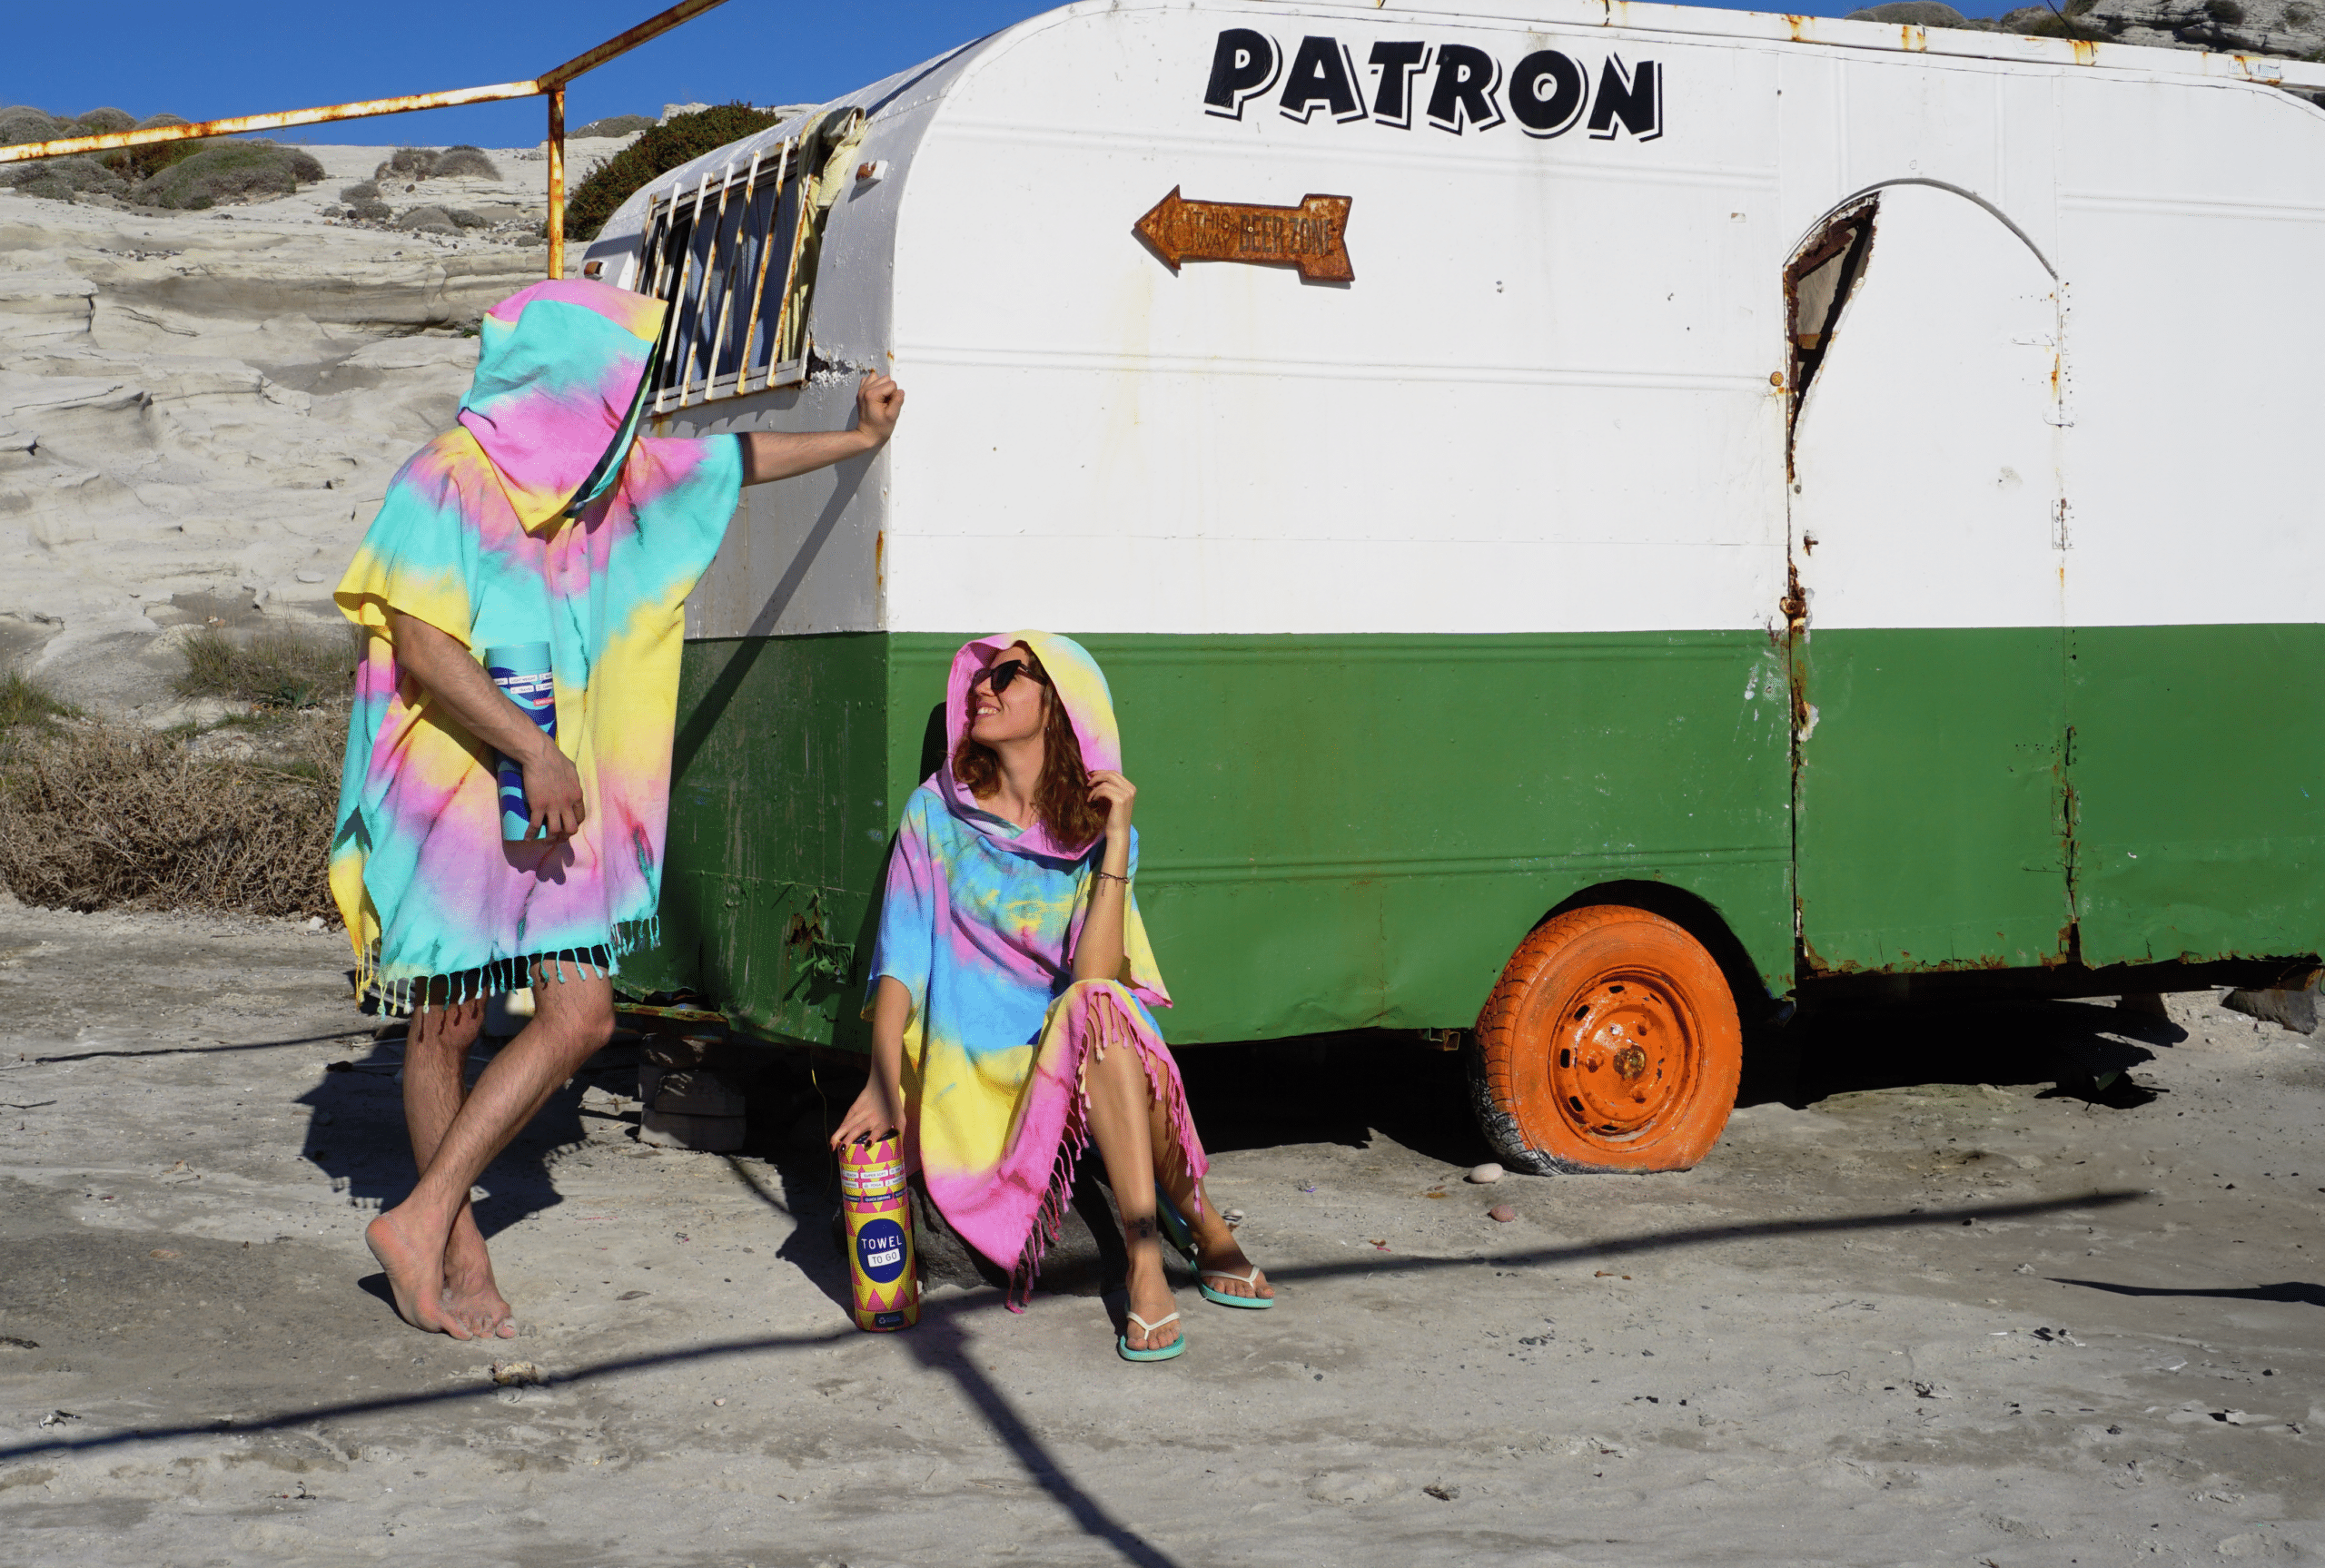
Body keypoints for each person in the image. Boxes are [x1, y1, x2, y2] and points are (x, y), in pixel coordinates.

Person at [330, 278, 904, 1339]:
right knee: (445, 1025)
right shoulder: (445, 481)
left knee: (581, 1015)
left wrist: (853, 440)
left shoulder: (612, 479)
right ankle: (448, 1248)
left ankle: (419, 1217)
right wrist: (533, 745)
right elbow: (421, 645)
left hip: (541, 794)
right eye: (625, 379)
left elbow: (730, 463)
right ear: (568, 379)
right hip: (450, 789)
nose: (639, 403)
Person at [831, 633, 1272, 1360]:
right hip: (970, 1090)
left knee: (1098, 1005)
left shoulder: (1097, 833)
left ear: (1058, 704)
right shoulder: (934, 815)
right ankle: (1198, 1222)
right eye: (979, 675)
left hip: (1070, 1070)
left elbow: (1097, 973)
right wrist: (883, 1081)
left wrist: (1119, 840)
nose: (982, 687)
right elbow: (899, 969)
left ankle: (1147, 1260)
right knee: (1098, 1012)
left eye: (1008, 675)